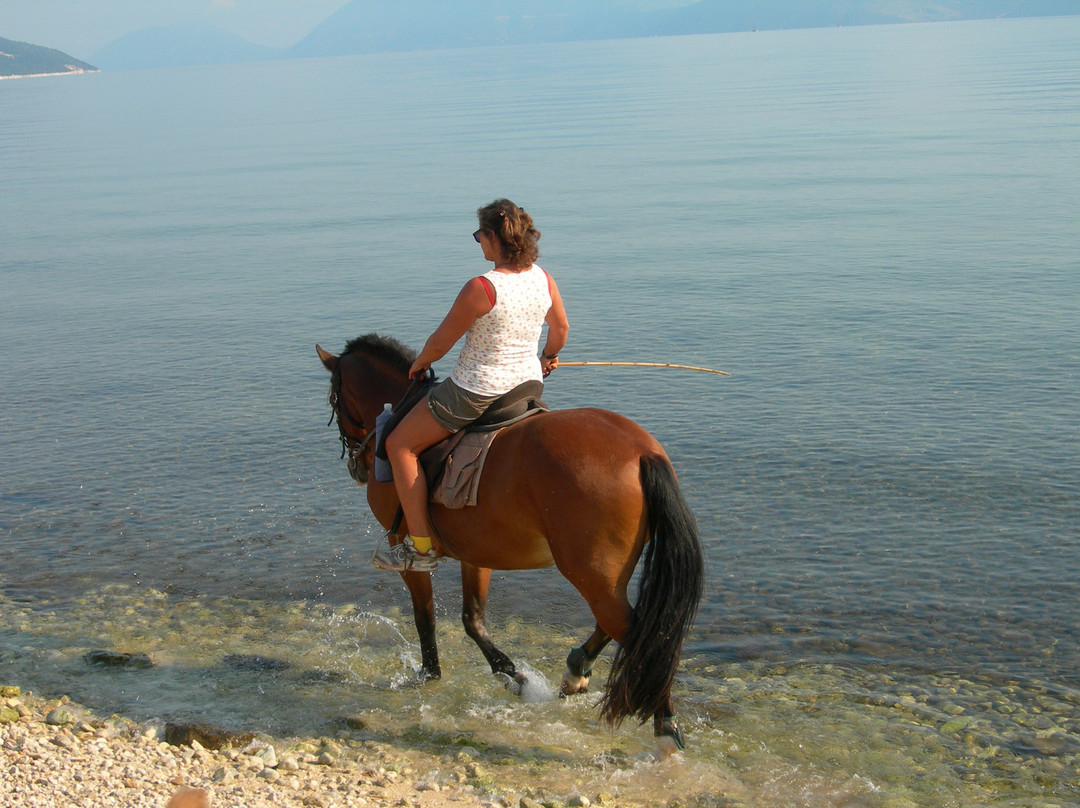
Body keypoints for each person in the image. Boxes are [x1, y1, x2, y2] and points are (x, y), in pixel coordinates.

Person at [371, 199, 569, 573]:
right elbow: (560, 329)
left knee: (400, 446)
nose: (479, 242)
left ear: (493, 237)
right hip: (526, 387)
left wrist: (421, 362)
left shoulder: (482, 287)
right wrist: (548, 357)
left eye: (479, 236)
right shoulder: (543, 279)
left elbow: (440, 343)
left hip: (475, 392)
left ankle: (421, 549)